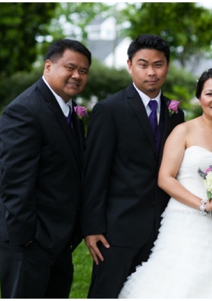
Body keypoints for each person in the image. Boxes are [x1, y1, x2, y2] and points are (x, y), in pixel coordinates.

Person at [118, 68, 212, 298]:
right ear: (200, 98)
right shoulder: (183, 131)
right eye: (209, 94)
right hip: (185, 221)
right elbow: (165, 178)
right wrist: (203, 204)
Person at [80, 34, 186, 298]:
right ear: (129, 66)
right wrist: (92, 227)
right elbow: (94, 172)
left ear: (168, 66)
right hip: (117, 228)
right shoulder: (109, 109)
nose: (151, 72)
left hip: (163, 227)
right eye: (143, 64)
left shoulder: (176, 113)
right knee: (107, 292)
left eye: (158, 64)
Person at [0, 38, 90, 298]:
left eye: (83, 71)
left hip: (58, 237)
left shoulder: (69, 111)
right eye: (70, 67)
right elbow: (15, 182)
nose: (76, 75)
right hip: (30, 239)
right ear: (48, 66)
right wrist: (27, 239)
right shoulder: (24, 111)